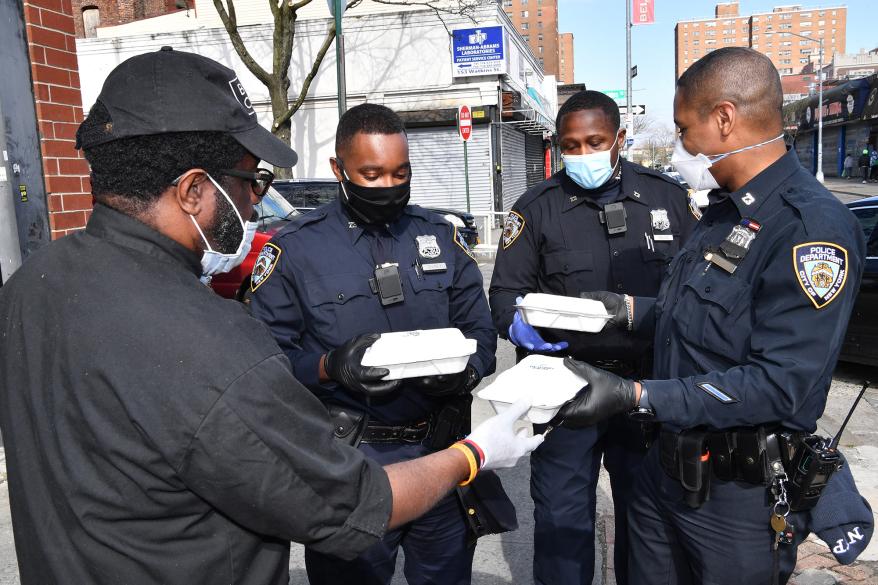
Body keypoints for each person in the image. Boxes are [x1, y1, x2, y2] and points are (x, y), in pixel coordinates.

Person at [0, 48, 542, 585]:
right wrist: (476, 453)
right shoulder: (213, 341)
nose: (255, 202)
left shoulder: (30, 287)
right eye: (249, 181)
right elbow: (349, 504)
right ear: (194, 191)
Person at [555, 47, 865, 584]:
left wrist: (637, 396)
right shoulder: (723, 212)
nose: (679, 147)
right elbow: (698, 317)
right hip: (665, 470)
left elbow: (779, 385)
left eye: (682, 129)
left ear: (724, 118)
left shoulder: (809, 230)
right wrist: (625, 312)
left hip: (735, 500)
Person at [249, 103, 500, 585]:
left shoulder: (440, 236)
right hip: (352, 463)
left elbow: (481, 334)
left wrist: (465, 371)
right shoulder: (294, 249)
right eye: (372, 174)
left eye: (399, 173)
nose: (388, 186)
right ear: (338, 170)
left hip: (441, 452)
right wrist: (329, 366)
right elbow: (266, 361)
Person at [488, 90, 696, 585]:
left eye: (595, 142)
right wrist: (522, 328)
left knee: (647, 520)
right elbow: (502, 297)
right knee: (562, 520)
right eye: (572, 145)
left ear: (619, 138)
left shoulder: (667, 198)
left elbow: (697, 295)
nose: (583, 155)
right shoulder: (536, 208)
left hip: (647, 390)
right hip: (565, 388)